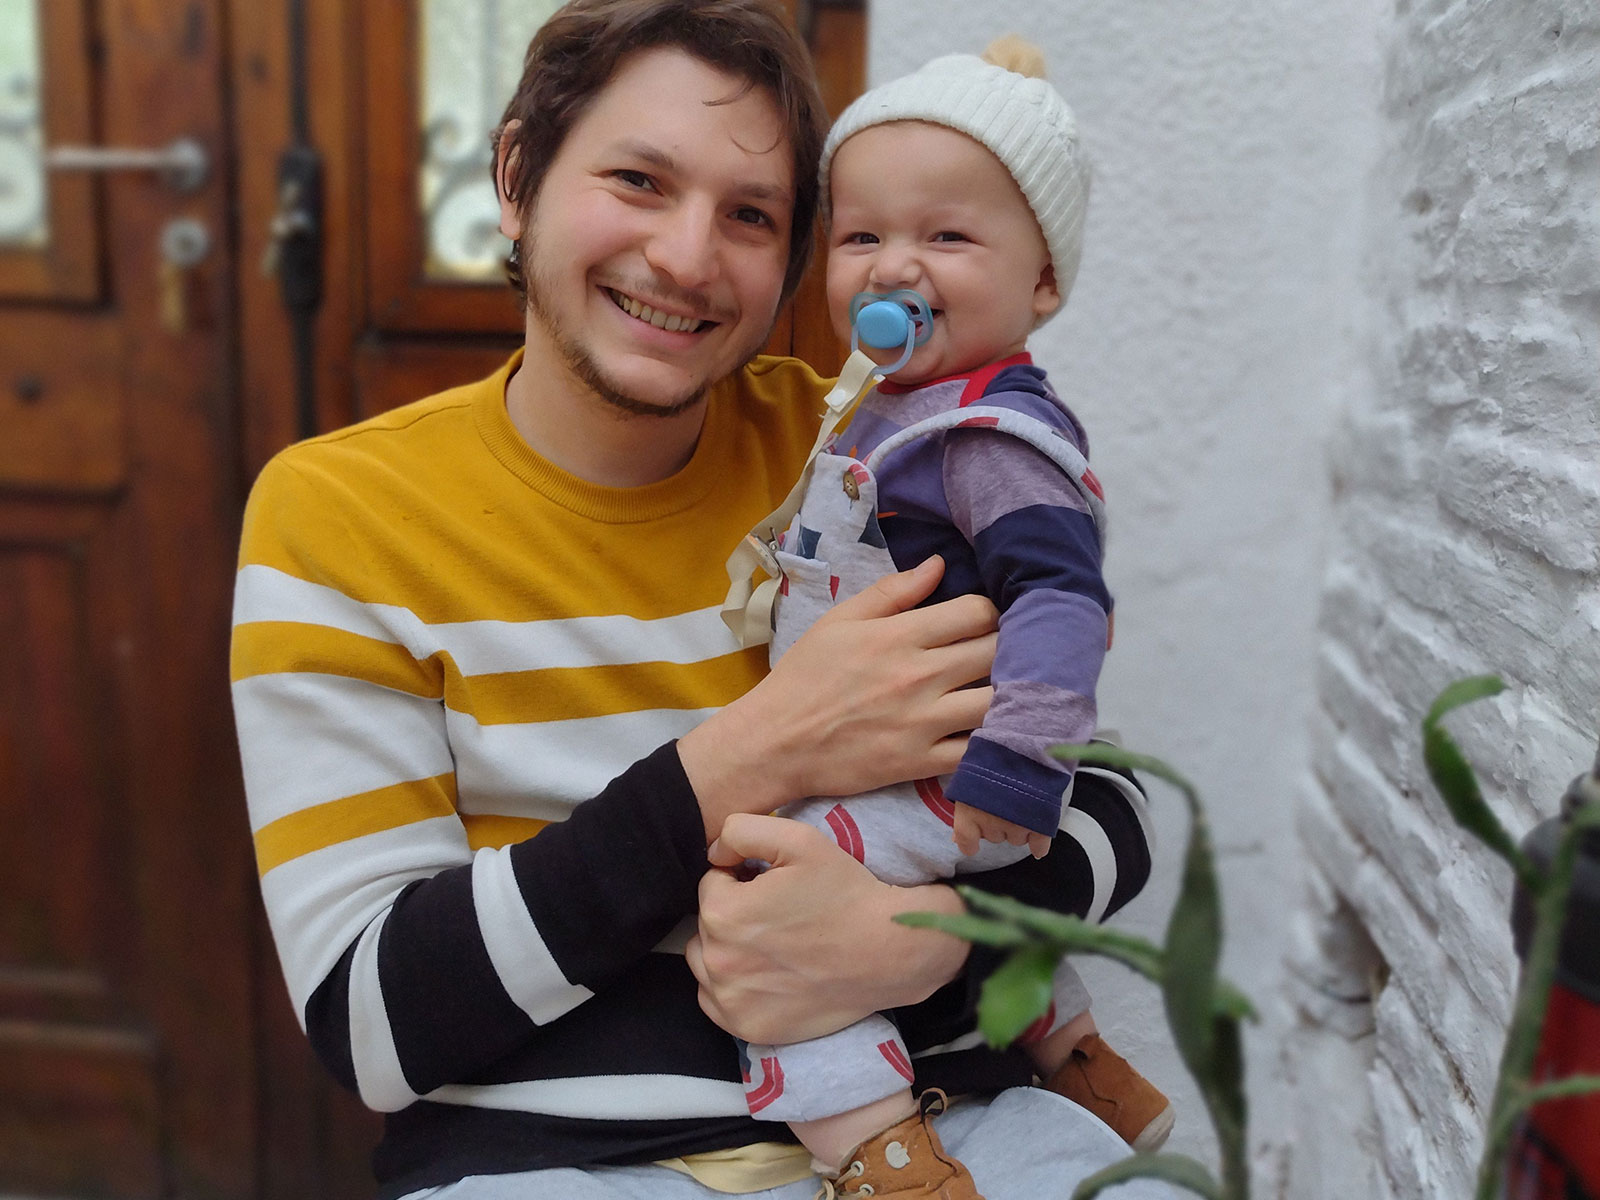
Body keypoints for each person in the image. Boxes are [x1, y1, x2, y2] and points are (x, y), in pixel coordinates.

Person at [229, 2, 1166, 1197]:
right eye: (638, 180)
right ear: (516, 179)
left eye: (750, 215)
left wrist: (931, 942)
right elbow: (374, 1022)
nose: (685, 256)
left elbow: (1109, 800)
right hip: (557, 1166)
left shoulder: (859, 451)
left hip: (948, 1133)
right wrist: (759, 750)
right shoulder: (341, 513)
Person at [717, 40, 1173, 1196]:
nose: (894, 265)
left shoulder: (986, 439)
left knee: (774, 912)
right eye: (861, 236)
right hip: (905, 760)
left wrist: (1021, 765)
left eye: (948, 237)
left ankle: (874, 1149)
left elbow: (1064, 597)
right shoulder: (892, 406)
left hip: (945, 774)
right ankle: (1079, 1061)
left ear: (1042, 283)